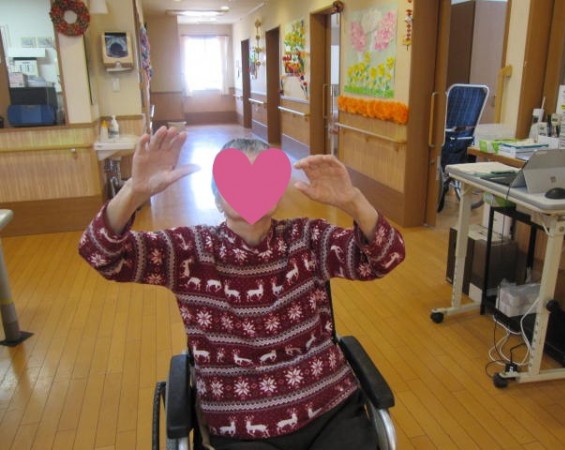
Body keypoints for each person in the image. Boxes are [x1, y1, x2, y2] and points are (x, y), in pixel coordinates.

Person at [79, 126, 406, 450]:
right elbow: (101, 254)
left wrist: (354, 201)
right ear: (217, 198)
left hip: (328, 407)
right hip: (240, 425)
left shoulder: (307, 239)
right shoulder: (189, 252)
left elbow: (386, 257)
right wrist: (134, 192)